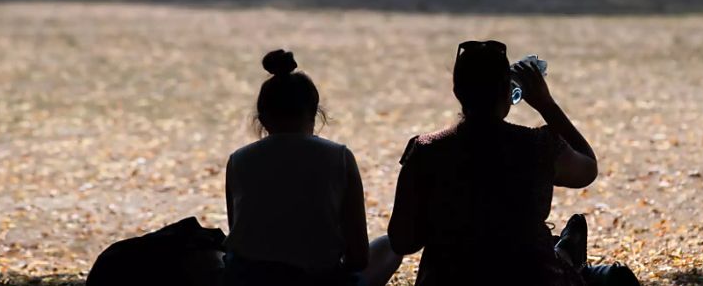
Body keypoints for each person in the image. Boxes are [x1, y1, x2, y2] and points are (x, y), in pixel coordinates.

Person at [387, 41, 599, 286]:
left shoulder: (426, 150)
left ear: (457, 91)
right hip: (531, 277)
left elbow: (401, 241)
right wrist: (546, 104)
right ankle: (565, 252)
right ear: (507, 92)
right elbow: (588, 169)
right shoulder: (539, 146)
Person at [224, 50, 402, 286]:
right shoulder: (339, 157)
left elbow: (242, 236)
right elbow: (358, 257)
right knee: (392, 246)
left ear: (262, 118)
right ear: (315, 115)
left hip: (249, 280)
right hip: (317, 280)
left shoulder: (238, 160)